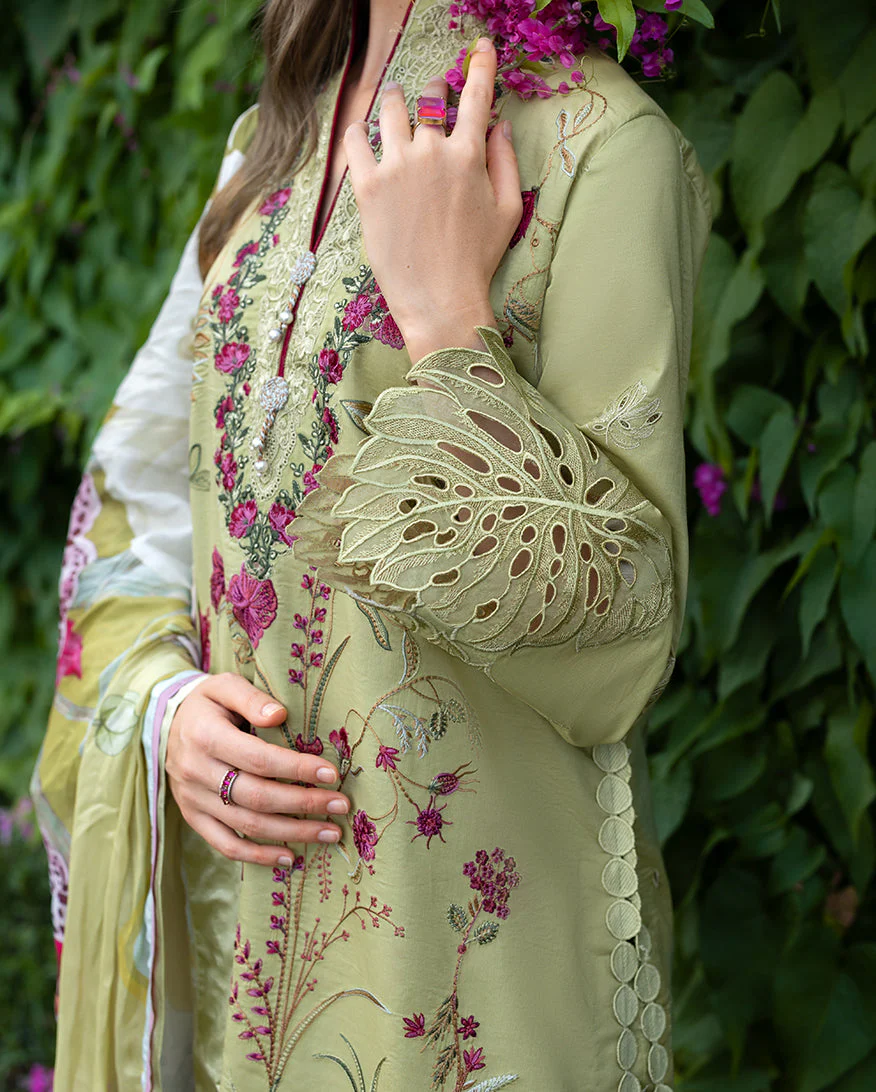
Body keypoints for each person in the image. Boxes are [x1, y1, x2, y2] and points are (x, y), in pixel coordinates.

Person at [32, 0, 712, 1088]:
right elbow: (147, 499)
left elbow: (623, 640)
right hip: (246, 978)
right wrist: (168, 708)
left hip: (469, 996)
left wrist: (446, 325)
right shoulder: (273, 145)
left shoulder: (603, 146)